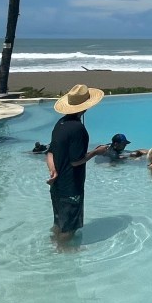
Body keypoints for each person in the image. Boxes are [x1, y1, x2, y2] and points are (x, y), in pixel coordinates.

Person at [46, 84, 112, 244]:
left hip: (57, 185)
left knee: (58, 223)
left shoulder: (60, 124)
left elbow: (50, 152)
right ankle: (64, 255)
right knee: (69, 228)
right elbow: (76, 161)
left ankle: (54, 247)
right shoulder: (78, 129)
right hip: (71, 186)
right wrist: (96, 152)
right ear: (85, 108)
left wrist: (53, 170)